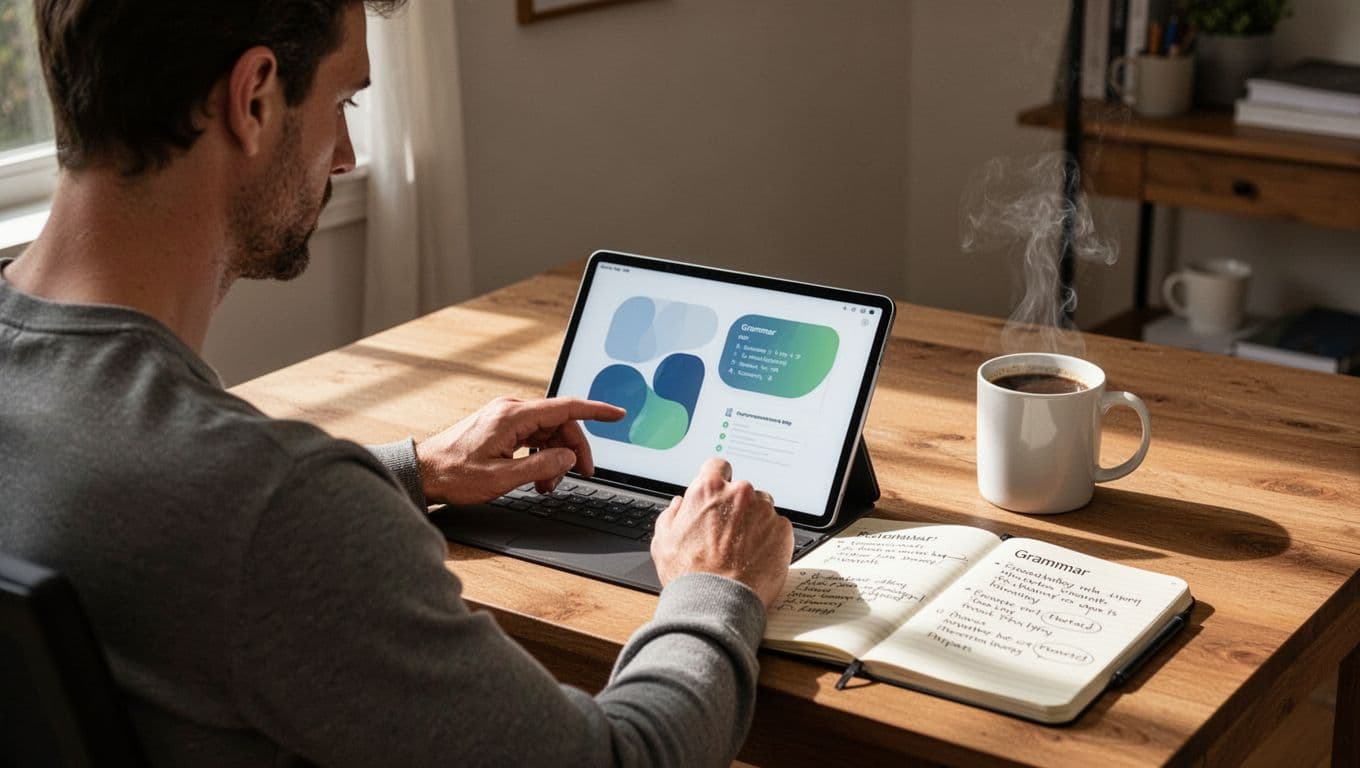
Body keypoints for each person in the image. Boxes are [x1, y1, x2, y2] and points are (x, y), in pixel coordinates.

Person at [0, 1, 793, 765]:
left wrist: (413, 470)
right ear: (253, 97)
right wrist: (714, 587)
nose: (344, 154)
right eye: (343, 100)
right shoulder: (273, 508)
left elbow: (156, 517)